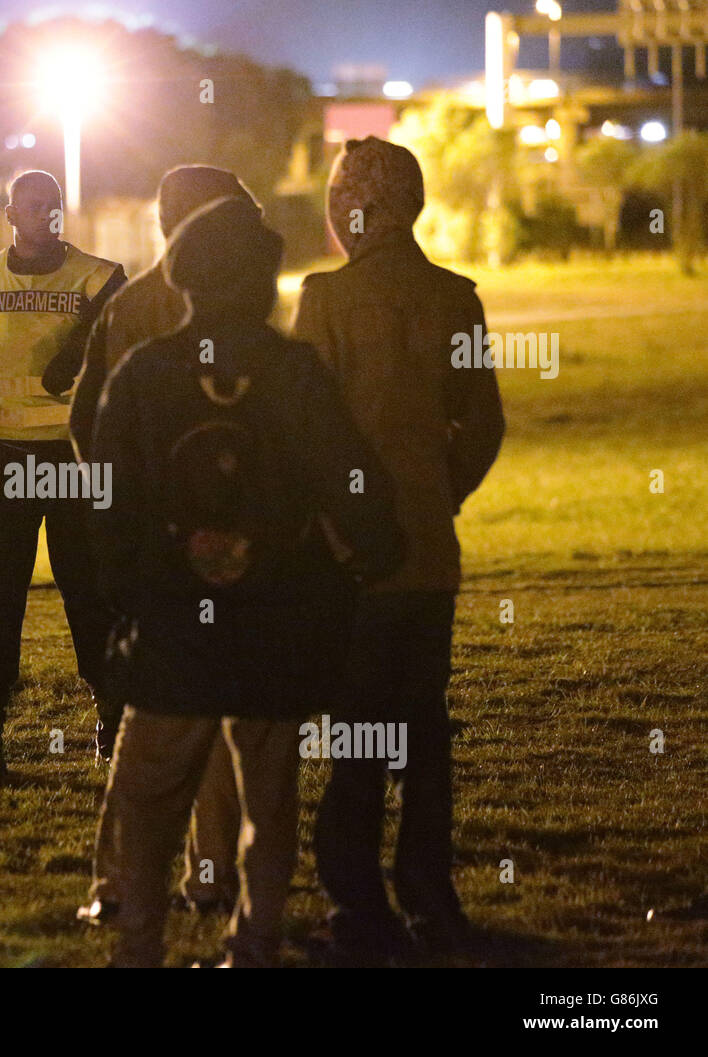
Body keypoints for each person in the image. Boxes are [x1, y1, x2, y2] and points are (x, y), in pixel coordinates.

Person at [90, 196, 405, 967]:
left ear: (184, 278)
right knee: (269, 792)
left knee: (147, 796)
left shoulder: (144, 374)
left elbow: (106, 497)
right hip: (276, 615)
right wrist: (373, 548)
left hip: (171, 624)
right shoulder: (292, 371)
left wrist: (131, 588)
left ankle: (140, 944)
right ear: (263, 280)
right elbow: (350, 475)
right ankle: (256, 941)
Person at [293, 136, 505, 963]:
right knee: (422, 725)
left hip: (352, 554)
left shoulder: (326, 299)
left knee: (354, 734)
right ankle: (428, 888)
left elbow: (310, 429)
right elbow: (482, 422)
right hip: (428, 550)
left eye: (341, 198)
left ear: (364, 208)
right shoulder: (458, 298)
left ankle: (356, 901)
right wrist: (439, 491)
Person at [73, 165, 260, 924]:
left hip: (155, 543)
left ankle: (120, 880)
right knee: (211, 719)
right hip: (228, 546)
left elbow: (87, 420)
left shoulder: (127, 308)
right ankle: (208, 877)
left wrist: (121, 514)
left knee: (150, 715)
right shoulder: (239, 311)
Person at [0, 170, 127, 783]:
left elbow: (126, 354)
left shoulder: (102, 279)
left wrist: (82, 352)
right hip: (4, 464)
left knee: (92, 599)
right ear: (10, 213)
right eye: (33, 206)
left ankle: (113, 727)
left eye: (54, 206)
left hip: (75, 466)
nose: (45, 215)